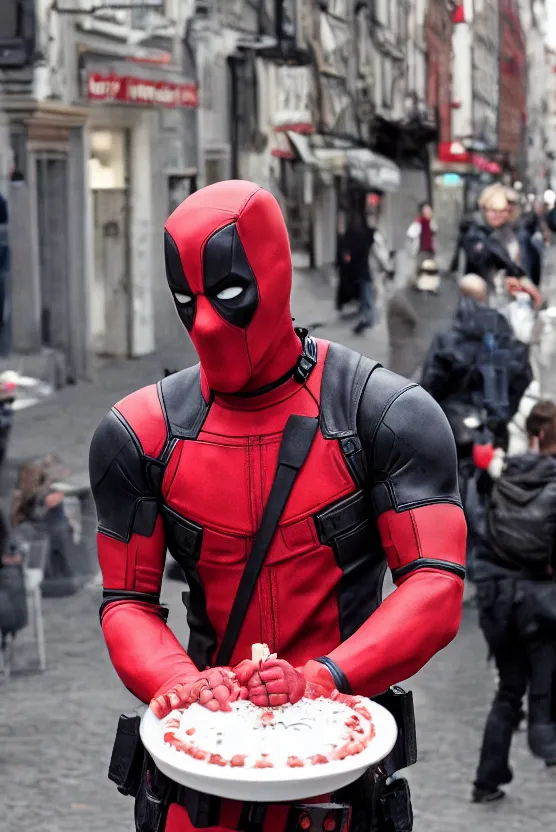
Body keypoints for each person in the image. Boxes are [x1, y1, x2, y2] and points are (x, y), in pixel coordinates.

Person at [89, 180, 467, 832]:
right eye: (188, 301)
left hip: (338, 784)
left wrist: (326, 676)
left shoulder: (384, 416)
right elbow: (125, 602)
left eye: (229, 293)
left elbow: (436, 585)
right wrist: (182, 682)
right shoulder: (140, 435)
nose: (206, 323)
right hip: (201, 786)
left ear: (275, 274)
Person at [472, 399, 556, 803]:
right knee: (552, 674)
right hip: (536, 599)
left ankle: (486, 781)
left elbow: (481, 522)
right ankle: (547, 739)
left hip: (495, 600)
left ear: (533, 436)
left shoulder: (504, 473)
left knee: (509, 689)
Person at [420, 274, 533, 581]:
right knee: (494, 484)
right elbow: (522, 371)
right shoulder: (502, 329)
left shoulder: (448, 334)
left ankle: (463, 554)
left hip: (456, 428)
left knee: (454, 491)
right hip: (494, 425)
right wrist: (505, 411)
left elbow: (430, 384)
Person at [340, 211, 377, 335]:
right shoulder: (367, 234)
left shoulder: (354, 235)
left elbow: (349, 255)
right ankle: (367, 317)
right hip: (367, 269)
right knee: (366, 293)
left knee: (367, 295)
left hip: (364, 270)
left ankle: (370, 318)